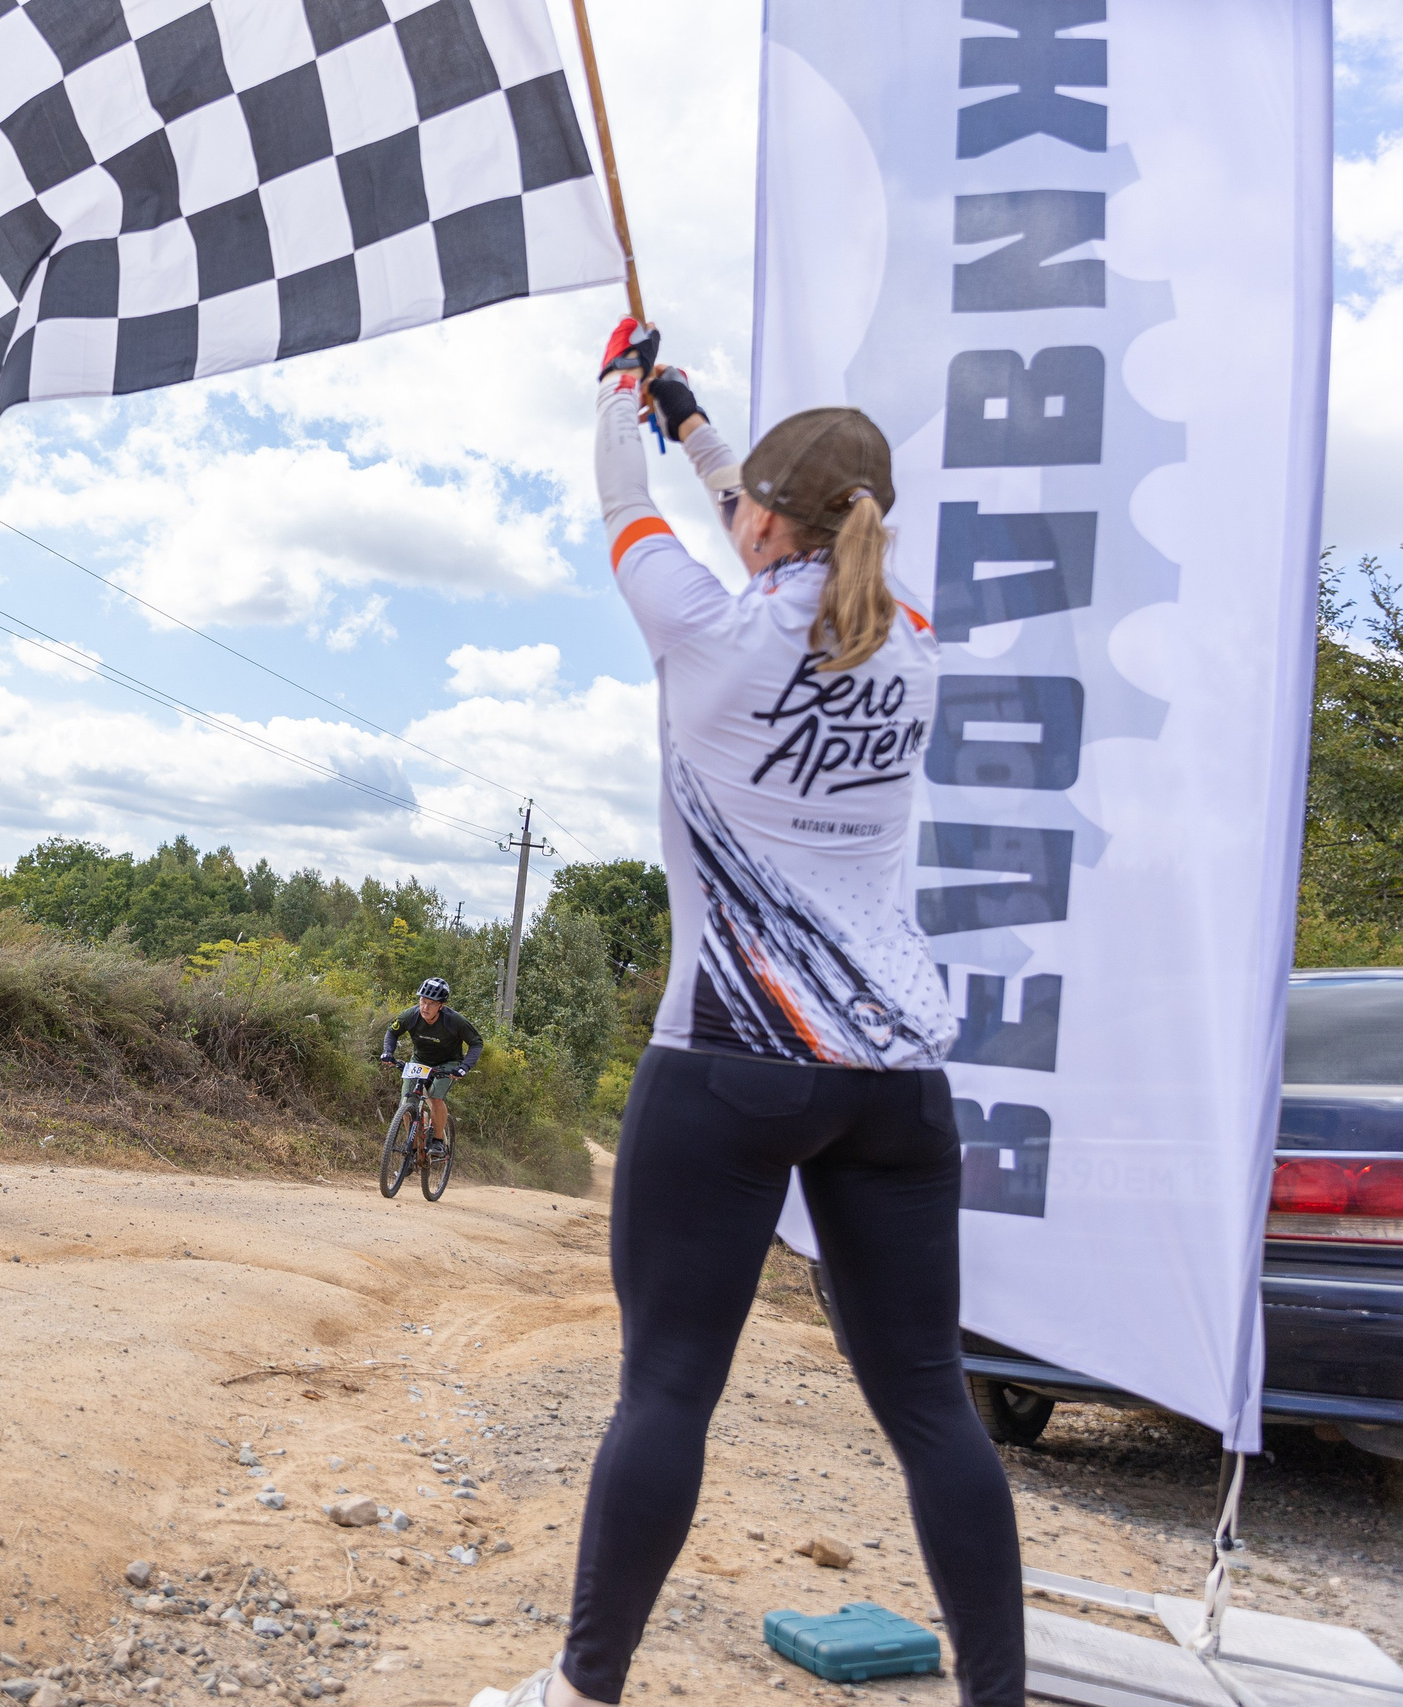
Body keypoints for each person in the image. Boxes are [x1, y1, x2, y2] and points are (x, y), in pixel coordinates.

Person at [475, 322, 1022, 1707]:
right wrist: (703, 428)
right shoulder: (914, 640)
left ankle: (582, 1689)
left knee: (666, 1389)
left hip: (733, 1055)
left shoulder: (706, 632)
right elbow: (760, 536)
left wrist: (619, 393)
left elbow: (623, 505)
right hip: (895, 1078)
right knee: (932, 1406)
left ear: (770, 521)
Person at [379, 977, 483, 1145]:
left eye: (432, 1004)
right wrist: (388, 1052)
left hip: (448, 1063)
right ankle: (411, 1151)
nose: (425, 1007)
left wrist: (464, 1067)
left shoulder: (454, 1021)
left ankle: (438, 1140)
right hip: (420, 1061)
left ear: (441, 1006)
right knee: (406, 1104)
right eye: (423, 1001)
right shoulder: (410, 1015)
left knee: (435, 1098)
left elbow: (476, 1043)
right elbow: (392, 1032)